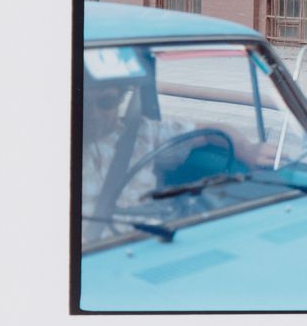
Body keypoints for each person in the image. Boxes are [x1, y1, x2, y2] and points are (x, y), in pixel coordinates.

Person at [81, 81, 274, 240]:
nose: (93, 114)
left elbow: (208, 133)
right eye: (84, 102)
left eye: (106, 102)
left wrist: (246, 149)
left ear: (121, 99)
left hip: (153, 238)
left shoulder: (143, 133)